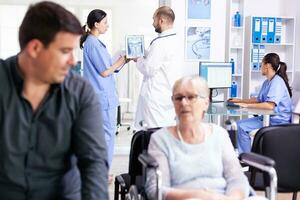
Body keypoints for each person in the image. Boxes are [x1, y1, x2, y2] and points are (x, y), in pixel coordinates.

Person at [0, 2, 108, 199]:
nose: (73, 61)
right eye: (65, 51)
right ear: (35, 48)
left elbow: (94, 162)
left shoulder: (80, 92)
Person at [146, 76, 250, 200]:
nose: (184, 102)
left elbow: (237, 179)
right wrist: (199, 195)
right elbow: (157, 190)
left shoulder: (220, 135)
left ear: (206, 103)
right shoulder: (160, 140)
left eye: (191, 97)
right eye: (178, 98)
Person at [80, 9, 128, 170]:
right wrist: (119, 60)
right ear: (96, 24)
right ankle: (102, 171)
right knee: (106, 136)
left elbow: (108, 68)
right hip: (102, 98)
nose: (107, 26)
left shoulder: (95, 43)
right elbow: (104, 71)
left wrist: (124, 61)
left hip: (103, 97)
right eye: (105, 22)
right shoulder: (93, 44)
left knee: (104, 135)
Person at [228, 53, 292, 154]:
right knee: (238, 125)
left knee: (240, 127)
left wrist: (247, 106)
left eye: (261, 64)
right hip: (267, 118)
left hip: (278, 121)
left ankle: (247, 159)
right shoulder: (268, 82)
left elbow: (270, 105)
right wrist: (239, 100)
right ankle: (245, 155)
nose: (260, 66)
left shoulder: (277, 82)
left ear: (267, 66)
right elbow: (258, 99)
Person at [134, 6, 182, 130]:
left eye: (154, 19)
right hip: (167, 95)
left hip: (156, 98)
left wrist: (137, 59)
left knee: (153, 134)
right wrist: (145, 53)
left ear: (161, 21)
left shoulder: (159, 44)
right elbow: (159, 61)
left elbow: (149, 69)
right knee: (165, 133)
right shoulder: (176, 40)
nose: (152, 23)